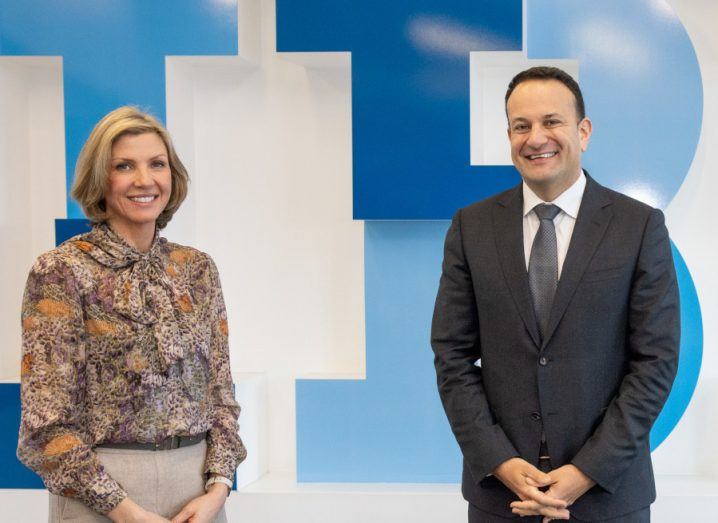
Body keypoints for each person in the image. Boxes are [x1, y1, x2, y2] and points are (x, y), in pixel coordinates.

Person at [431, 66, 680, 522]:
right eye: (521, 126)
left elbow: (656, 361)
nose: (536, 137)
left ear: (583, 132)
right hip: (501, 496)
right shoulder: (472, 227)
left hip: (609, 496)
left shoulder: (639, 227)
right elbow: (452, 357)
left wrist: (587, 470)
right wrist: (501, 462)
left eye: (552, 121)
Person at [17, 106, 246, 522]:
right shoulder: (61, 271)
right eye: (124, 166)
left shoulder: (197, 269)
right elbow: (45, 423)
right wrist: (125, 512)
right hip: (101, 494)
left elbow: (221, 396)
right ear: (100, 180)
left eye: (157, 164)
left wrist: (219, 486)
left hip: (197, 493)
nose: (145, 180)